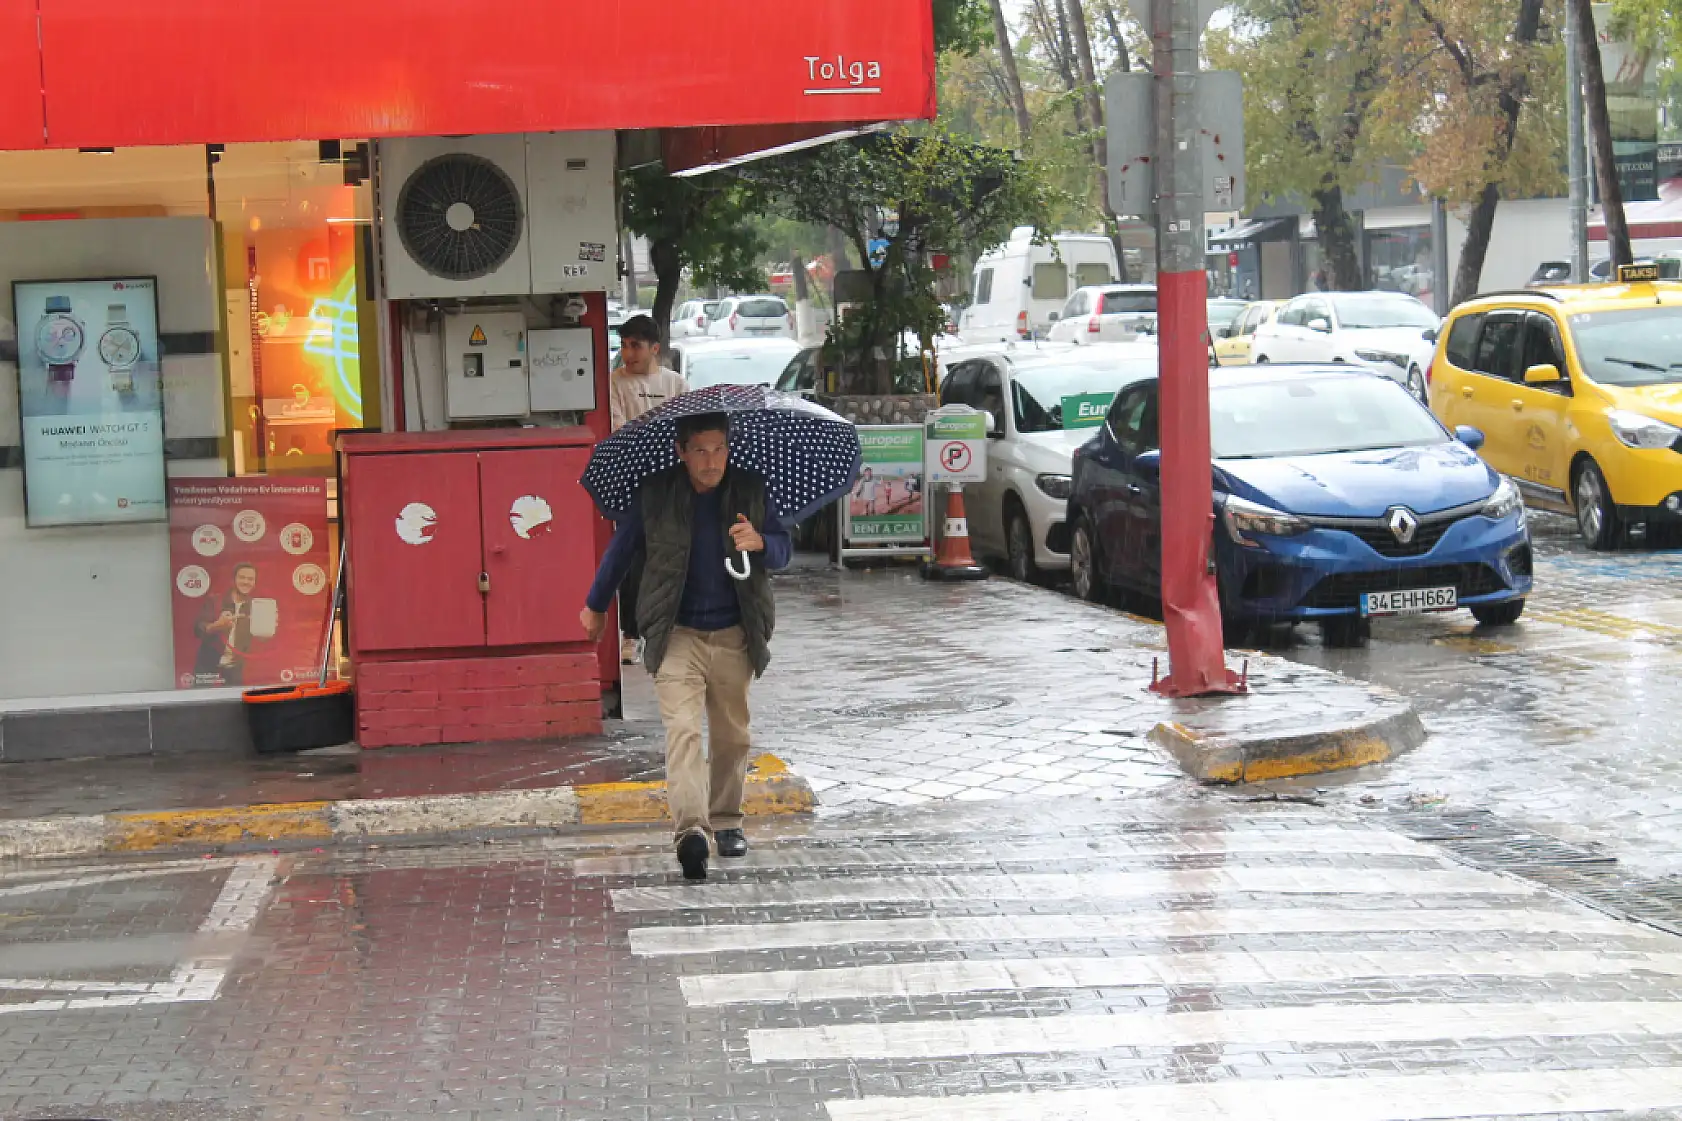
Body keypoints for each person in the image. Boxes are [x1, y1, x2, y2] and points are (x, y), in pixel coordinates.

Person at [580, 412, 790, 882]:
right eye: (700, 451)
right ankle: (691, 832)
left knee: (733, 736)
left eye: (719, 449)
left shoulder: (751, 490)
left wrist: (760, 542)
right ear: (682, 452)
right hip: (676, 633)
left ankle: (727, 820)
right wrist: (595, 605)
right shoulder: (656, 495)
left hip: (735, 632)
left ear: (729, 449)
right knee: (683, 732)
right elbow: (620, 551)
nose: (711, 461)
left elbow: (783, 549)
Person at [608, 314, 688, 665]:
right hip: (633, 484)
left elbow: (687, 430)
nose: (628, 354)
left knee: (672, 555)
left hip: (672, 485)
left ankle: (670, 627)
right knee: (633, 558)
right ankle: (630, 633)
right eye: (624, 346)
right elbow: (617, 430)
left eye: (636, 346)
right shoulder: (615, 383)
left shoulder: (676, 384)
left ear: (654, 348)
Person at [193, 562, 259, 686]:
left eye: (250, 579)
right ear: (233, 580)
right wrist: (216, 626)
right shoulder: (215, 601)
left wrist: (269, 629)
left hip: (236, 671)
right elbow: (198, 629)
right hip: (207, 668)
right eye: (242, 577)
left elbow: (260, 642)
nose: (246, 582)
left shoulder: (256, 607)